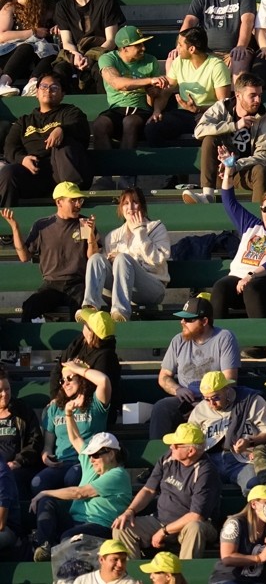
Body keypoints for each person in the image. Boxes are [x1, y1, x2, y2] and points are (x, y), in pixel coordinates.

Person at [111, 422, 221, 560]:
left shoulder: (206, 472)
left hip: (193, 526)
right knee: (122, 527)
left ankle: (185, 577)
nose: (171, 447)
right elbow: (148, 490)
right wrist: (130, 511)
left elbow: (196, 516)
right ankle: (133, 577)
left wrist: (164, 531)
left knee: (195, 527)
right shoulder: (168, 458)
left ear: (191, 451)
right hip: (161, 520)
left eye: (176, 445)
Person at [211, 163, 266, 322]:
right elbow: (229, 202)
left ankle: (260, 344)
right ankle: (217, 341)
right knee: (220, 288)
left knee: (252, 288)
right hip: (239, 280)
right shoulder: (251, 225)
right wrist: (229, 170)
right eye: (265, 209)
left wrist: (251, 275)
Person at [30, 428, 130, 562]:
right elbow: (76, 439)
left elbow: (79, 493)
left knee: (69, 538)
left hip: (99, 527)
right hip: (76, 522)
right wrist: (69, 413)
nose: (91, 460)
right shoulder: (96, 469)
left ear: (111, 454)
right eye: (89, 456)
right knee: (47, 502)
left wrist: (44, 491)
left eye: (95, 455)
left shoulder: (118, 474)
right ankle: (45, 547)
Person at [1, 183, 95, 322]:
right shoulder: (42, 225)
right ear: (59, 202)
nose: (78, 204)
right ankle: (26, 344)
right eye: (73, 200)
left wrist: (91, 235)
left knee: (80, 310)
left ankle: (79, 342)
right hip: (52, 285)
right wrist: (15, 228)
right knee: (29, 306)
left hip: (77, 283)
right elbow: (23, 257)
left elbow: (93, 258)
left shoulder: (84, 223)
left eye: (79, 200)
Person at [149, 296, 240, 438]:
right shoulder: (178, 340)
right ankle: (161, 457)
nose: (182, 322)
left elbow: (230, 381)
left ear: (204, 321)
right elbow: (163, 377)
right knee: (162, 408)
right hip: (185, 400)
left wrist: (203, 408)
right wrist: (177, 389)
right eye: (182, 318)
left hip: (215, 401)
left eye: (188, 319)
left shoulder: (224, 337)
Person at [0, 74, 90, 206]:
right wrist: (22, 159)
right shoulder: (24, 121)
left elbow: (79, 126)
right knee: (9, 172)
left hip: (63, 170)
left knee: (63, 144)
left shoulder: (70, 112)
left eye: (54, 88)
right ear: (36, 92)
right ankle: (6, 218)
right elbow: (10, 147)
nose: (48, 90)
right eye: (44, 86)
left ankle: (70, 197)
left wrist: (62, 129)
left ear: (62, 94)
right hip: (34, 171)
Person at [82, 187, 169, 322]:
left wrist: (141, 232)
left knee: (122, 258)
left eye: (135, 202)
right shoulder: (113, 236)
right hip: (119, 289)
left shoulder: (156, 228)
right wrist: (91, 238)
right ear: (121, 208)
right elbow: (102, 267)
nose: (131, 207)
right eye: (126, 203)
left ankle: (120, 312)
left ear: (142, 206)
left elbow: (158, 261)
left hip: (151, 288)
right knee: (96, 258)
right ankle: (90, 307)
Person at [188, 371, 266, 491]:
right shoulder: (200, 410)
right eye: (206, 399)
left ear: (226, 389)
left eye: (216, 397)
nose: (211, 403)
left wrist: (250, 442)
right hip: (210, 461)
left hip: (241, 460)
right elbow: (189, 439)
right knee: (191, 486)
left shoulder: (251, 400)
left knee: (254, 486)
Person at [35, 359, 112, 495]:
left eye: (70, 378)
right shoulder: (55, 408)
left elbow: (104, 381)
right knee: (38, 483)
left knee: (72, 477)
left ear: (82, 378)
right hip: (61, 463)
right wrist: (46, 455)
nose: (65, 384)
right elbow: (48, 445)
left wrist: (78, 368)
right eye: (62, 380)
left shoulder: (95, 403)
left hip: (87, 462)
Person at [149, 26, 232, 149]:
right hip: (183, 113)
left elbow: (224, 104)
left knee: (210, 133)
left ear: (192, 49)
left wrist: (198, 109)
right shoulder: (179, 62)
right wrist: (156, 111)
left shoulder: (217, 66)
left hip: (208, 114)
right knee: (152, 128)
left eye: (180, 45)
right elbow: (166, 92)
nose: (177, 48)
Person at [51, 0, 124, 94]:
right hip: (76, 53)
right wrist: (76, 56)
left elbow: (111, 40)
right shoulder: (62, 6)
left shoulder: (105, 1)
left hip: (102, 54)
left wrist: (91, 57)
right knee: (60, 69)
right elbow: (67, 41)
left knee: (101, 68)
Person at [180, 0, 256, 78]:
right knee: (174, 60)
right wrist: (181, 45)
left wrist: (241, 46)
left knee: (239, 59)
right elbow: (190, 21)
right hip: (206, 52)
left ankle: (237, 97)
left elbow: (247, 21)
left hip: (234, 50)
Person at [92, 25, 164, 153]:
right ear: (124, 48)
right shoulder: (108, 59)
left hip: (140, 110)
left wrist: (153, 92)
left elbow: (155, 95)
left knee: (130, 122)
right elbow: (117, 83)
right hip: (117, 109)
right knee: (100, 124)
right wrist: (148, 80)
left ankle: (126, 168)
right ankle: (107, 169)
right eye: (138, 45)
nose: (144, 48)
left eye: (143, 44)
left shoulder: (150, 61)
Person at [208, 484, 266, 584]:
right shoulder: (235, 523)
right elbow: (227, 558)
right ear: (254, 504)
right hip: (229, 578)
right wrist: (258, 558)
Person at [0, 0, 56, 98]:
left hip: (35, 58)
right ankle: (3, 83)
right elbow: (2, 35)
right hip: (8, 55)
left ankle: (33, 84)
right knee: (27, 47)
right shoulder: (10, 8)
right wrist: (33, 32)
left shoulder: (48, 12)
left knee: (52, 51)